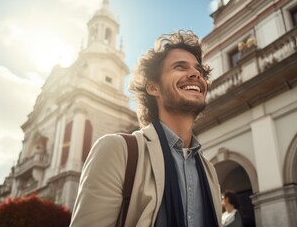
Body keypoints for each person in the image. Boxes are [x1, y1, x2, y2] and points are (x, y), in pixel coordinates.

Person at [69, 30, 222, 226]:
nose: (196, 75)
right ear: (153, 88)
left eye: (199, 70)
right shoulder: (117, 150)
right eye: (180, 67)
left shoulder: (208, 170)